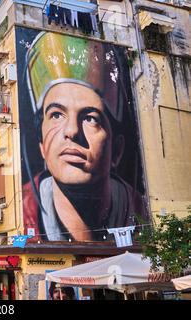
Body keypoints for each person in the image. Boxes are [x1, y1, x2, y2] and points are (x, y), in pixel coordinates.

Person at [22, 32, 150, 241]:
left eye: (90, 118)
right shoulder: (26, 211)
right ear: (42, 145)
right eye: (56, 114)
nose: (72, 131)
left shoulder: (140, 211)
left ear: (117, 150)